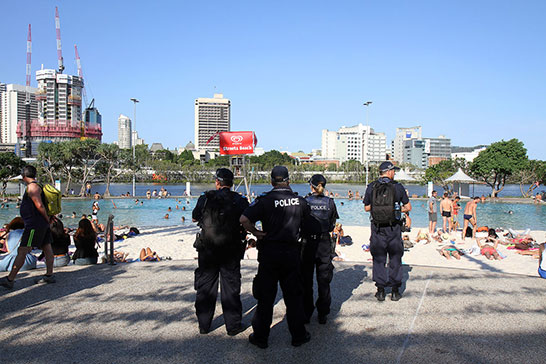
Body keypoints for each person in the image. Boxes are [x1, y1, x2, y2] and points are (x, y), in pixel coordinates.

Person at [240, 166, 311, 348]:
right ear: (288, 180)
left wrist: (256, 232)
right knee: (293, 297)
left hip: (269, 254)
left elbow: (243, 219)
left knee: (265, 298)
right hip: (291, 253)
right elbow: (308, 222)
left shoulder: (265, 200)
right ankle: (298, 336)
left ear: (272, 181)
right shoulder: (299, 201)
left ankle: (261, 338)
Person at [192, 168, 249, 336]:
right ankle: (233, 326)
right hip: (231, 249)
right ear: (231, 183)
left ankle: (204, 325)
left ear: (217, 182)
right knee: (231, 287)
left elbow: (195, 217)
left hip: (208, 249)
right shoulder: (239, 200)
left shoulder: (205, 198)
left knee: (205, 286)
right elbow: (247, 219)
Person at [1, 166, 55, 289]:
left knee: (23, 250)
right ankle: (49, 275)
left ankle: (10, 279)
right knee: (47, 247)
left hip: (34, 225)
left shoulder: (32, 187)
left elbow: (39, 205)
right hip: (40, 224)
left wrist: (46, 219)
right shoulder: (36, 185)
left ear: (24, 176)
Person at [364, 161, 411, 301]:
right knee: (395, 257)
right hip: (394, 228)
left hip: (377, 228)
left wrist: (379, 210)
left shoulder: (371, 186)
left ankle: (380, 290)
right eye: (393, 171)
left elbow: (366, 208)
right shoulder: (398, 187)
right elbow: (408, 207)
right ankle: (395, 291)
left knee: (379, 258)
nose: (394, 173)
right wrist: (394, 210)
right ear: (389, 172)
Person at [301, 174, 339, 325]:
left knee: (306, 281)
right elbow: (331, 224)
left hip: (308, 243)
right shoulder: (330, 202)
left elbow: (300, 221)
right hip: (324, 242)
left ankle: (306, 312)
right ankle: (323, 312)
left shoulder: (304, 202)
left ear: (311, 186)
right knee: (324, 280)